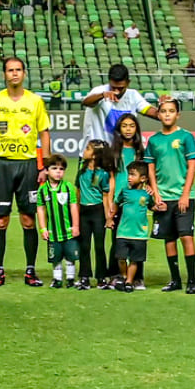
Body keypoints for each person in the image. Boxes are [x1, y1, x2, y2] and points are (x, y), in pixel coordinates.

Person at [0, 57, 52, 288]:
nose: (14, 74)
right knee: (0, 221)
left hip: (28, 165)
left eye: (18, 70)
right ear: (4, 74)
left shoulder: (35, 101)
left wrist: (45, 167)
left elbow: (44, 134)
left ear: (24, 73)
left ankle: (30, 271)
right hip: (1, 165)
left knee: (28, 220)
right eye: (10, 70)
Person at [144, 99, 195, 293]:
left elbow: (192, 165)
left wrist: (185, 194)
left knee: (186, 236)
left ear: (178, 115)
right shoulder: (153, 140)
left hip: (183, 197)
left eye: (171, 111)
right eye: (164, 111)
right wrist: (156, 195)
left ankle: (192, 280)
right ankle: (175, 280)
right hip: (164, 198)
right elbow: (150, 168)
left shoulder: (186, 137)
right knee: (169, 239)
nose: (167, 114)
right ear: (158, 115)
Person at [107, 114, 146, 289]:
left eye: (131, 125)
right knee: (117, 241)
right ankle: (116, 275)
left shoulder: (141, 152)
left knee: (137, 241)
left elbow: (147, 175)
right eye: (124, 126)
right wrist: (110, 203)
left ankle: (137, 277)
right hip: (119, 201)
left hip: (136, 202)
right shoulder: (114, 151)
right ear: (119, 129)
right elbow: (112, 178)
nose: (128, 129)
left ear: (136, 128)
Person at [79, 64, 160, 147]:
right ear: (109, 81)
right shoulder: (99, 91)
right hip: (95, 152)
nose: (116, 91)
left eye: (121, 88)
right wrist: (103, 95)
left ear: (128, 83)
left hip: (118, 152)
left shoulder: (133, 95)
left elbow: (152, 112)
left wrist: (165, 107)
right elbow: (86, 102)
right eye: (113, 87)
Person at [36, 154, 81, 289]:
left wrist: (76, 226)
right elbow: (41, 209)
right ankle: (57, 279)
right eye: (54, 168)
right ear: (47, 171)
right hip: (53, 232)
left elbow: (74, 207)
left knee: (70, 257)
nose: (58, 172)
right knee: (55, 258)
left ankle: (71, 278)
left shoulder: (68, 187)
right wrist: (43, 228)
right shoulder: (43, 190)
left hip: (68, 231)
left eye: (61, 169)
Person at [109, 161, 153, 292]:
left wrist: (158, 206)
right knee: (121, 258)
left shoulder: (147, 194)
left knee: (134, 260)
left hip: (139, 233)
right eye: (129, 174)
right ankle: (123, 276)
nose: (129, 177)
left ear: (143, 178)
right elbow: (116, 203)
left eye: (133, 175)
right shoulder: (125, 192)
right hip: (123, 231)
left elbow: (153, 205)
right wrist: (110, 218)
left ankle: (129, 281)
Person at [76, 139, 113, 288]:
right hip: (84, 212)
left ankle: (101, 277)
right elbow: (78, 192)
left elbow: (105, 196)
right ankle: (84, 276)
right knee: (84, 246)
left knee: (99, 246)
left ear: (94, 155)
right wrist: (76, 216)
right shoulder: (82, 170)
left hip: (97, 211)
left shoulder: (103, 174)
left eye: (87, 149)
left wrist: (108, 217)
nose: (84, 151)